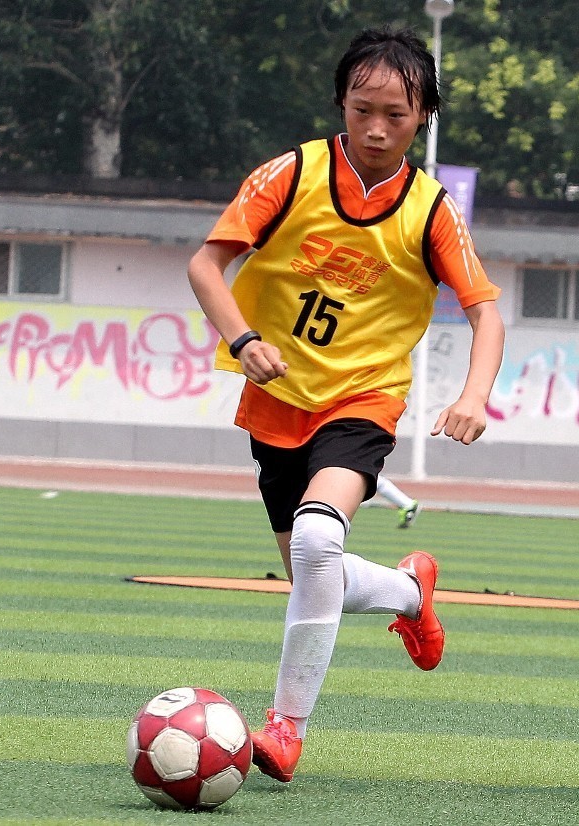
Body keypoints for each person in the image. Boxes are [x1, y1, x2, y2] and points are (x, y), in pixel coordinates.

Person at [186, 25, 504, 784]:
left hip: (364, 399)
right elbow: (205, 264)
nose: (377, 128)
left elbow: (485, 312)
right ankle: (409, 591)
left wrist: (473, 395)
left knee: (317, 540)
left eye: (397, 114)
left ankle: (285, 730)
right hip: (276, 401)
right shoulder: (290, 174)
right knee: (312, 570)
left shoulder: (431, 210)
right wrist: (242, 340)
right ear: (341, 104)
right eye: (364, 110)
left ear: (423, 116)